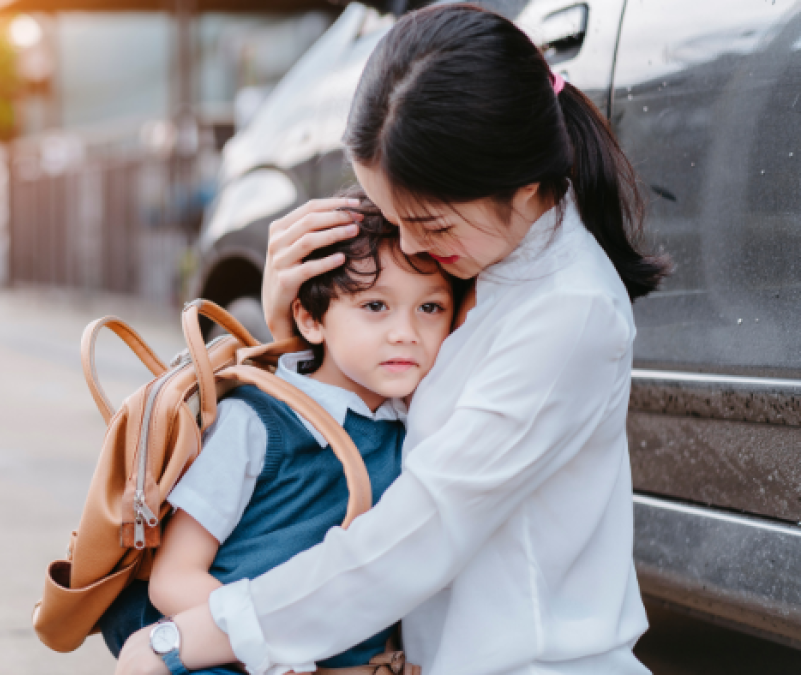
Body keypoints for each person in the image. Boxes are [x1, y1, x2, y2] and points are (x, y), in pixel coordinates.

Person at [115, 5, 670, 675]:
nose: (410, 246)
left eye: (430, 226)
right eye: (395, 220)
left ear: (523, 187)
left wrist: (191, 639)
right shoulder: (493, 264)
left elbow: (420, 530)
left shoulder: (567, 313)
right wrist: (297, 328)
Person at [98, 189, 456, 674]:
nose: (405, 332)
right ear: (310, 318)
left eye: (430, 308)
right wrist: (275, 650)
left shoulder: (417, 428)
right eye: (375, 306)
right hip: (222, 653)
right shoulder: (258, 423)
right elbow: (174, 579)